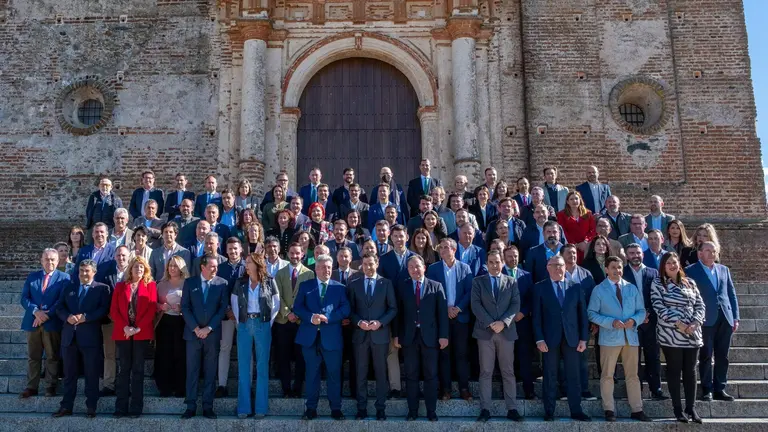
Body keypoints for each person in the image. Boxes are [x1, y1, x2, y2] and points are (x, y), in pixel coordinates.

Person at [587, 256, 650, 422]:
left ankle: (637, 409)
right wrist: (610, 322)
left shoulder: (631, 288)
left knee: (633, 375)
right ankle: (609, 409)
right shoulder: (599, 290)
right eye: (613, 267)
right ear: (606, 269)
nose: (617, 271)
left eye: (620, 267)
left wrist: (634, 320)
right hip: (609, 337)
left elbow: (641, 310)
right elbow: (591, 313)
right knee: (607, 375)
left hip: (630, 337)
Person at [531, 255, 591, 422]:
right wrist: (539, 339)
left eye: (561, 265)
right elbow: (536, 317)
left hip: (572, 338)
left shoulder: (576, 287)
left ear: (566, 267)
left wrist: (584, 339)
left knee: (574, 375)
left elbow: (582, 315)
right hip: (549, 339)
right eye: (554, 265)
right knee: (550, 375)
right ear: (547, 267)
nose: (558, 268)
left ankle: (576, 410)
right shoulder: (539, 288)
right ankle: (549, 411)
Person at [293, 254, 350, 420]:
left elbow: (346, 309)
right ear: (316, 269)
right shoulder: (306, 286)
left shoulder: (339, 287)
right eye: (323, 267)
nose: (327, 270)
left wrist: (329, 317)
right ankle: (311, 409)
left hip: (331, 338)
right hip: (310, 338)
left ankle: (336, 409)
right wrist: (311, 317)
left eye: (329, 268)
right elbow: (298, 307)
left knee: (334, 374)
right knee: (311, 375)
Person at [52, 259, 111, 419]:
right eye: (81, 271)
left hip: (90, 338)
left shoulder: (102, 289)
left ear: (94, 272)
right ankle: (66, 406)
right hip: (69, 337)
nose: (84, 274)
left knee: (91, 374)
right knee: (69, 374)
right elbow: (59, 307)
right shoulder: (69, 287)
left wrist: (87, 317)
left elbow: (104, 310)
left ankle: (91, 406)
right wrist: (67, 317)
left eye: (87, 271)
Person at [652, 252, 705, 423]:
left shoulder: (690, 282)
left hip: (692, 333)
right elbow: (659, 307)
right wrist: (678, 323)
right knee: (674, 371)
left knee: (690, 372)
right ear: (663, 266)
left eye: (674, 262)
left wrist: (696, 323)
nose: (672, 265)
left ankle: (691, 408)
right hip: (671, 334)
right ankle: (677, 409)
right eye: (668, 263)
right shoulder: (658, 283)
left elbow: (700, 304)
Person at [394, 255, 448, 422]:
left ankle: (431, 411)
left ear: (424, 267)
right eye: (411, 267)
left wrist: (443, 336)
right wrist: (396, 335)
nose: (415, 270)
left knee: (431, 375)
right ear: (408, 270)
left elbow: (442, 314)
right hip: (409, 338)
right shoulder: (402, 287)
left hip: (430, 338)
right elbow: (398, 314)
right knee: (411, 375)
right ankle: (413, 411)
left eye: (417, 266)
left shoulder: (436, 286)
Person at [472, 250, 522, 422]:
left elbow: (516, 304)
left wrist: (503, 322)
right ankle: (485, 409)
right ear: (487, 263)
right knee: (485, 371)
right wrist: (491, 322)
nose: (494, 265)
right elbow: (475, 305)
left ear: (502, 263)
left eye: (497, 262)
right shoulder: (478, 282)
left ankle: (512, 408)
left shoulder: (511, 281)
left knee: (508, 371)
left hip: (506, 332)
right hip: (485, 332)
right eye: (491, 262)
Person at [686, 241, 740, 402]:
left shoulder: (724, 270)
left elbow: (731, 294)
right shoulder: (690, 271)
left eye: (714, 251)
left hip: (725, 317)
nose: (711, 254)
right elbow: (689, 297)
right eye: (708, 251)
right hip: (705, 319)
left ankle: (720, 388)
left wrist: (735, 317)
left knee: (723, 355)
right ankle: (706, 389)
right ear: (700, 253)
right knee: (706, 355)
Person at [347, 252, 397, 420]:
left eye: (371, 264)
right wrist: (358, 322)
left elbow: (393, 308)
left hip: (379, 335)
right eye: (365, 264)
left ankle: (380, 408)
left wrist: (380, 322)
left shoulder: (386, 283)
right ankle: (361, 408)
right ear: (362, 265)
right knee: (360, 373)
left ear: (377, 264)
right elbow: (350, 310)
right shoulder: (354, 284)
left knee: (381, 373)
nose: (368, 267)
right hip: (360, 335)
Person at [230, 252, 281, 418]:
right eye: (246, 262)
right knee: (244, 366)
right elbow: (234, 302)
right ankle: (243, 408)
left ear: (257, 264)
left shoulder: (269, 281)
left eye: (249, 262)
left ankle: (260, 408)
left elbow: (276, 303)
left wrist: (268, 323)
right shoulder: (240, 282)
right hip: (245, 324)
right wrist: (240, 322)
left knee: (262, 366)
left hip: (263, 324)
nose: (246, 265)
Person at [180, 255, 229, 420]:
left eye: (216, 266)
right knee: (192, 370)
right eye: (212, 266)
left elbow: (222, 309)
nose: (215, 269)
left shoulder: (222, 283)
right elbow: (185, 307)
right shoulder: (190, 282)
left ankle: (208, 406)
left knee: (210, 371)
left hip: (212, 334)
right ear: (203, 267)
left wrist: (208, 328)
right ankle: (190, 406)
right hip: (193, 334)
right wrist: (195, 328)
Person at [19, 248, 70, 399]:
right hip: (32, 322)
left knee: (52, 355)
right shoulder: (32, 277)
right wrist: (36, 312)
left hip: (51, 322)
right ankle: (31, 386)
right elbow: (24, 298)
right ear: (41, 261)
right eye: (47, 259)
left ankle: (50, 386)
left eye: (53, 259)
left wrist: (47, 315)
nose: (50, 262)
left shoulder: (64, 278)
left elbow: (61, 300)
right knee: (33, 356)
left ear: (58, 261)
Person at [110, 256, 157, 418]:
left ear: (145, 270)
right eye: (136, 267)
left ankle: (136, 408)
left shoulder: (150, 285)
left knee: (138, 370)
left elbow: (151, 310)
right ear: (131, 268)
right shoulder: (120, 286)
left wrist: (137, 328)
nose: (139, 270)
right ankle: (120, 407)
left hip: (141, 333)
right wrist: (125, 326)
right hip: (123, 332)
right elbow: (113, 310)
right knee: (124, 370)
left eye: (142, 268)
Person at [427, 238, 473, 401]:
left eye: (448, 247)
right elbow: (430, 293)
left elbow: (469, 292)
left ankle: (464, 388)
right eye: (442, 248)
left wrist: (458, 308)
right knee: (444, 354)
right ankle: (445, 389)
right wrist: (444, 309)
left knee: (461, 354)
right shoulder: (433, 269)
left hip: (460, 317)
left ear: (455, 250)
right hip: (442, 318)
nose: (445, 250)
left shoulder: (465, 268)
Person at [623, 244, 667, 400]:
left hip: (651, 321)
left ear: (643, 254)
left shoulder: (653, 272)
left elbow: (659, 296)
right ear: (627, 255)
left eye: (638, 253)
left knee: (653, 356)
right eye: (632, 253)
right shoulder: (622, 273)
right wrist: (636, 317)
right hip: (631, 322)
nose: (635, 255)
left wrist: (648, 314)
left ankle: (656, 389)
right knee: (633, 358)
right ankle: (636, 390)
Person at [274, 243, 315, 397]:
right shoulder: (280, 273)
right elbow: (277, 296)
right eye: (292, 253)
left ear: (302, 254)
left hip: (301, 322)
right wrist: (287, 312)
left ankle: (298, 388)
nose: (294, 256)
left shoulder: (309, 274)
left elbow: (309, 298)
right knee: (283, 356)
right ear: (287, 254)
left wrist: (298, 314)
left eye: (297, 253)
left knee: (300, 357)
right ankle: (286, 389)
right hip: (283, 322)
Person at [378, 224, 413, 398]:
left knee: (412, 350)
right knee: (392, 351)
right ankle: (395, 388)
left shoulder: (415, 258)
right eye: (396, 236)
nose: (399, 239)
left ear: (407, 237)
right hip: (391, 311)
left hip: (412, 312)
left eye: (402, 236)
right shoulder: (384, 259)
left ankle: (414, 385)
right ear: (391, 238)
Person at [560, 244, 598, 400]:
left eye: (575, 253)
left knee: (582, 359)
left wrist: (593, 321)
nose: (573, 256)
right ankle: (564, 390)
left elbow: (593, 299)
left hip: (582, 323)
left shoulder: (586, 274)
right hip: (562, 323)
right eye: (569, 253)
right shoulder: (557, 272)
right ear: (562, 256)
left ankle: (584, 389)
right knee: (562, 359)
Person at [95, 245, 132, 397]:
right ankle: (109, 384)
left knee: (127, 355)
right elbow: (101, 295)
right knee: (109, 353)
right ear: (114, 257)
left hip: (129, 322)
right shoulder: (105, 272)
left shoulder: (134, 272)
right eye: (118, 255)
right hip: (109, 320)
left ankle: (125, 385)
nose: (121, 258)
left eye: (124, 255)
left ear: (128, 257)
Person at [501, 246, 535, 399]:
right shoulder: (498, 274)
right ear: (504, 257)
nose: (513, 259)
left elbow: (531, 298)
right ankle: (507, 392)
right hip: (504, 324)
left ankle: (529, 390)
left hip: (522, 322)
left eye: (515, 256)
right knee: (506, 358)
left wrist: (523, 312)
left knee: (525, 356)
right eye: (509, 256)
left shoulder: (526, 275)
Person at [214, 238, 247, 398]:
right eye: (230, 249)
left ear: (241, 249)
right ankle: (222, 384)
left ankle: (246, 385)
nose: (233, 252)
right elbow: (218, 291)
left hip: (245, 316)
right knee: (225, 348)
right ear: (226, 251)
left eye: (235, 248)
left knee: (246, 350)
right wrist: (228, 309)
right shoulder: (220, 268)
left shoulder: (248, 266)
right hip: (226, 315)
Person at [154, 255, 189, 398]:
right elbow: (153, 303)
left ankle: (180, 387)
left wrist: (182, 307)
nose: (172, 268)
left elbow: (192, 303)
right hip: (165, 322)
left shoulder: (188, 283)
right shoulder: (161, 284)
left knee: (180, 355)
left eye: (175, 265)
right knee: (164, 355)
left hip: (182, 322)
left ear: (181, 267)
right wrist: (161, 306)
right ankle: (164, 388)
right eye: (170, 265)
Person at [331, 246, 359, 398]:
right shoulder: (331, 274)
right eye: (341, 256)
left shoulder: (358, 275)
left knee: (354, 360)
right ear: (337, 258)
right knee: (337, 360)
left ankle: (354, 391)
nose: (343, 259)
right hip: (335, 325)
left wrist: (351, 318)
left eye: (346, 256)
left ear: (351, 258)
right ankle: (338, 392)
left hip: (354, 325)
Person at [557, 191, 596, 262]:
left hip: (585, 247)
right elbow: (563, 231)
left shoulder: (588, 213)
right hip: (570, 247)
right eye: (571, 199)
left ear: (580, 200)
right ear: (567, 202)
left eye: (576, 199)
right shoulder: (561, 215)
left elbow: (592, 230)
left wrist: (585, 242)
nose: (574, 201)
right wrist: (575, 244)